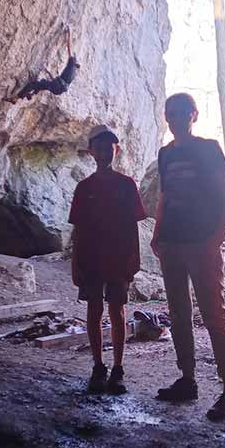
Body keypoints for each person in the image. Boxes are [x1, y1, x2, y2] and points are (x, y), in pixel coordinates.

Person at [151, 93, 225, 421]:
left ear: (194, 115)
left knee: (214, 315)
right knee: (178, 315)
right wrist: (158, 234)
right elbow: (166, 197)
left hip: (201, 243)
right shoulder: (165, 154)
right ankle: (187, 379)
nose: (174, 118)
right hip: (173, 243)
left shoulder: (208, 149)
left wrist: (214, 240)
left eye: (181, 113)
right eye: (169, 113)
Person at [68, 128, 147, 394]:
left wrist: (133, 259)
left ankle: (118, 368)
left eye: (109, 147)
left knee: (117, 311)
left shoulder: (127, 185)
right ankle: (98, 366)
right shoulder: (84, 188)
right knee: (93, 310)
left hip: (117, 257)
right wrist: (75, 262)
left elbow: (133, 226)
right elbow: (77, 229)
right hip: (91, 258)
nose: (104, 152)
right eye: (99, 147)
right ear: (91, 151)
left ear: (117, 150)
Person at [11, 30, 80, 101]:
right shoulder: (73, 73)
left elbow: (69, 47)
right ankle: (31, 94)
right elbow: (58, 82)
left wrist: (69, 34)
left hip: (57, 86)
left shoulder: (72, 63)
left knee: (32, 84)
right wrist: (48, 73)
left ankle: (15, 98)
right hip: (58, 89)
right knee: (43, 84)